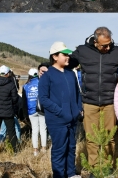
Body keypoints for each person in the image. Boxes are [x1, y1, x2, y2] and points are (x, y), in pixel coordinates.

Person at [71, 27, 118, 164]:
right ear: (95, 41)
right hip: (89, 102)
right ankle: (95, 167)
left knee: (109, 137)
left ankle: (107, 166)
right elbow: (66, 64)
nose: (108, 47)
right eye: (104, 45)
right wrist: (45, 67)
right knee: (91, 138)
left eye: (110, 43)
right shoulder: (82, 50)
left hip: (110, 102)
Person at [39, 41, 83, 178]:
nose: (67, 56)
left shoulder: (70, 74)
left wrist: (78, 110)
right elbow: (44, 99)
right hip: (57, 121)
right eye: (64, 54)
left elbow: (77, 93)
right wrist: (61, 112)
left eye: (68, 54)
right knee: (59, 150)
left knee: (71, 147)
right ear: (55, 56)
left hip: (72, 119)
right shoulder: (47, 76)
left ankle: (71, 173)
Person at [0, 65, 20, 155]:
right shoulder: (10, 84)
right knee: (11, 132)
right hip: (8, 111)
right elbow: (15, 99)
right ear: (8, 73)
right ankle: (15, 151)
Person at [22, 67, 47, 156]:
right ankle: (44, 148)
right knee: (43, 129)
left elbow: (24, 102)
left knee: (35, 130)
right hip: (42, 110)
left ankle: (35, 150)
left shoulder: (25, 86)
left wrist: (25, 114)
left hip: (31, 111)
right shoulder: (42, 83)